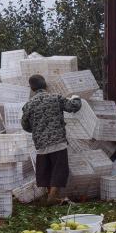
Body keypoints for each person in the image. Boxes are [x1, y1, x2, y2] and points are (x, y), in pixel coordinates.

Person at [21, 75, 82, 204]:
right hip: (57, 142)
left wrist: (38, 130)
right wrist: (76, 97)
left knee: (45, 170)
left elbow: (25, 126)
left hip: (41, 144)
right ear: (46, 85)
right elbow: (73, 107)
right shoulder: (55, 98)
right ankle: (52, 197)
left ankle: (49, 196)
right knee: (59, 169)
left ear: (32, 88)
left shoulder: (28, 105)